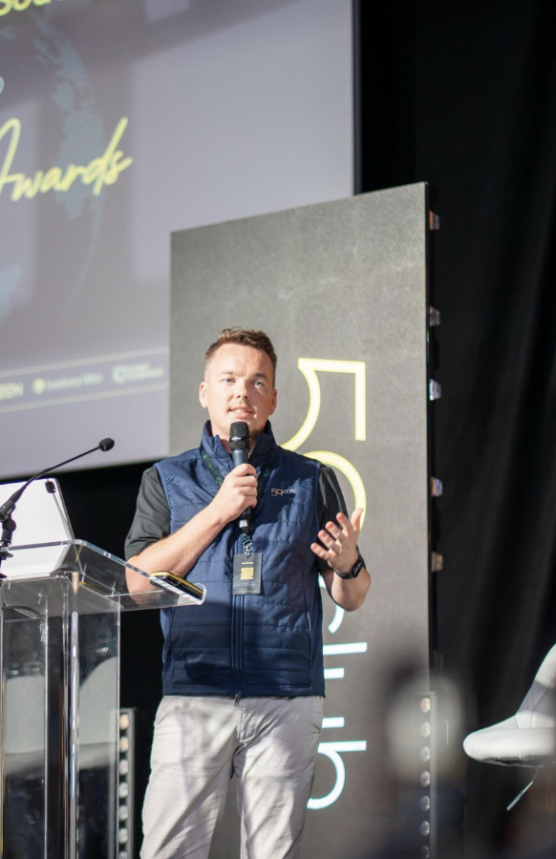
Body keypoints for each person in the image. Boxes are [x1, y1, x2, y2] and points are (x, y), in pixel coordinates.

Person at [125, 327, 371, 859]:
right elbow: (139, 585)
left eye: (258, 382)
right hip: (194, 694)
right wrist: (218, 511)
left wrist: (347, 564)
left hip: (286, 697)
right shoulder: (167, 479)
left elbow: (351, 594)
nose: (243, 391)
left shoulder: (311, 479)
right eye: (229, 379)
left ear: (274, 399)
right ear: (204, 392)